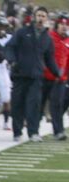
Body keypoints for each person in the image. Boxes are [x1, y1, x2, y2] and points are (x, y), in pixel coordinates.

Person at [5, 6, 62, 142]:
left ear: (46, 19)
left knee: (34, 106)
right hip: (20, 74)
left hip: (36, 76)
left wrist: (57, 73)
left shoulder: (47, 39)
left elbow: (49, 59)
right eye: (39, 15)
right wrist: (12, 61)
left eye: (43, 16)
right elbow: (10, 47)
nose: (40, 18)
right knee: (18, 104)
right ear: (34, 17)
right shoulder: (22, 32)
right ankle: (17, 132)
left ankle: (33, 132)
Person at [43, 15, 68, 141]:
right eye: (62, 24)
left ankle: (58, 131)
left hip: (61, 79)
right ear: (57, 25)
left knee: (58, 104)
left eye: (66, 24)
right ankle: (33, 131)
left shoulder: (68, 40)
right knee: (38, 104)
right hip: (45, 76)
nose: (64, 26)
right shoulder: (49, 37)